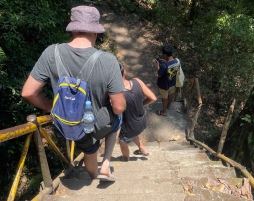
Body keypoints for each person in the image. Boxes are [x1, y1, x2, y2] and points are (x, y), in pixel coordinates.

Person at [21, 5, 126, 182]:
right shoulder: (108, 60)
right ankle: (100, 171)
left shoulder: (51, 53)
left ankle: (92, 176)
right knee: (117, 120)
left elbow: (28, 92)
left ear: (73, 28)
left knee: (88, 147)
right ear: (95, 31)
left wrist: (51, 107)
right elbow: (118, 106)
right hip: (92, 126)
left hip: (65, 124)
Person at [118, 63, 157, 161]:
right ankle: (143, 149)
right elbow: (153, 98)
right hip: (141, 122)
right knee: (134, 132)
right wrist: (141, 104)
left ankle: (126, 158)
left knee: (122, 143)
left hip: (128, 127)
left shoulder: (117, 92)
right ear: (125, 71)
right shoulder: (137, 81)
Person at [154, 45, 180, 116]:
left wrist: (157, 65)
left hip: (164, 85)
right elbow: (172, 65)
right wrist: (165, 62)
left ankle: (164, 112)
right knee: (171, 94)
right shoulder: (177, 61)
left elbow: (159, 74)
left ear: (165, 55)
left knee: (164, 98)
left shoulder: (164, 66)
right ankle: (168, 106)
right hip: (173, 83)